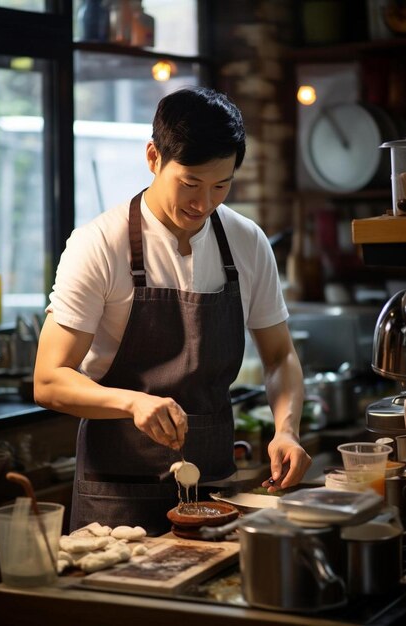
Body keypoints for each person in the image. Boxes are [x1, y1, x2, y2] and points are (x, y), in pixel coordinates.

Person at [34, 86, 311, 536]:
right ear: (153, 158)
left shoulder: (247, 242)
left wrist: (287, 430)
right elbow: (48, 380)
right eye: (190, 184)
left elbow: (280, 356)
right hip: (117, 497)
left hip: (216, 491)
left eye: (221, 185)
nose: (203, 204)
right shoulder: (99, 245)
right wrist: (132, 402)